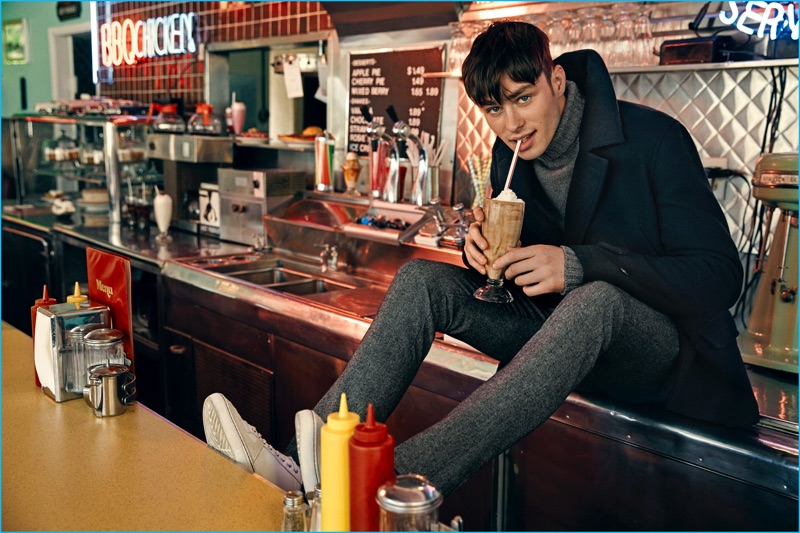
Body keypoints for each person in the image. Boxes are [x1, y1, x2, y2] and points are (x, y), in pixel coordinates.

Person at [202, 20, 759, 497]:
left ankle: (388, 481)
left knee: (596, 300)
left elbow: (719, 276)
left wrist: (582, 263)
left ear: (556, 80)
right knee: (422, 279)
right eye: (494, 109)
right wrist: (483, 256)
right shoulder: (507, 153)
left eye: (523, 99)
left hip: (664, 357)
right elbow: (521, 280)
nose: (511, 124)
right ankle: (314, 460)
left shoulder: (654, 139)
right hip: (560, 338)